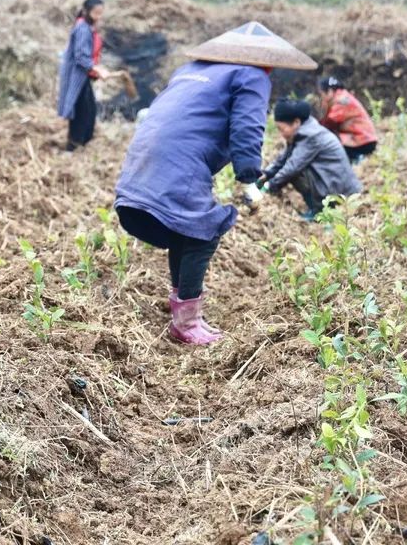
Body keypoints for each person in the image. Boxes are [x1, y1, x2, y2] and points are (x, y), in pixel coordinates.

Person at [114, 22, 317, 345]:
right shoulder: (250, 76)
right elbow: (248, 124)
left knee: (186, 228)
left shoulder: (190, 70)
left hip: (145, 155)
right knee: (203, 231)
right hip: (181, 158)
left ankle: (182, 310)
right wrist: (249, 172)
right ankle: (187, 322)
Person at [259, 99, 362, 220]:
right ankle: (317, 208)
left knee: (295, 173)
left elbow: (292, 166)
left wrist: (268, 187)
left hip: (341, 191)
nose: (281, 134)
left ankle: (319, 211)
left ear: (296, 122)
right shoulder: (303, 130)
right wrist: (264, 175)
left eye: (282, 129)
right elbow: (283, 159)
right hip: (335, 183)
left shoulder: (310, 136)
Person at [56, 0, 115, 151]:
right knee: (82, 112)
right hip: (78, 76)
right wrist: (98, 69)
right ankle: (73, 146)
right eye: (96, 13)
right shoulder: (82, 28)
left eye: (101, 13)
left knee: (88, 111)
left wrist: (96, 68)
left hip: (84, 76)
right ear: (86, 11)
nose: (98, 17)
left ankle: (82, 144)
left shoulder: (88, 28)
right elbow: (81, 57)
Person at [317, 76, 378, 163]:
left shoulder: (341, 100)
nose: (321, 97)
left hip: (363, 141)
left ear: (329, 92)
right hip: (361, 139)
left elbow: (328, 123)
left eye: (321, 94)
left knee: (328, 144)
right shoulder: (341, 97)